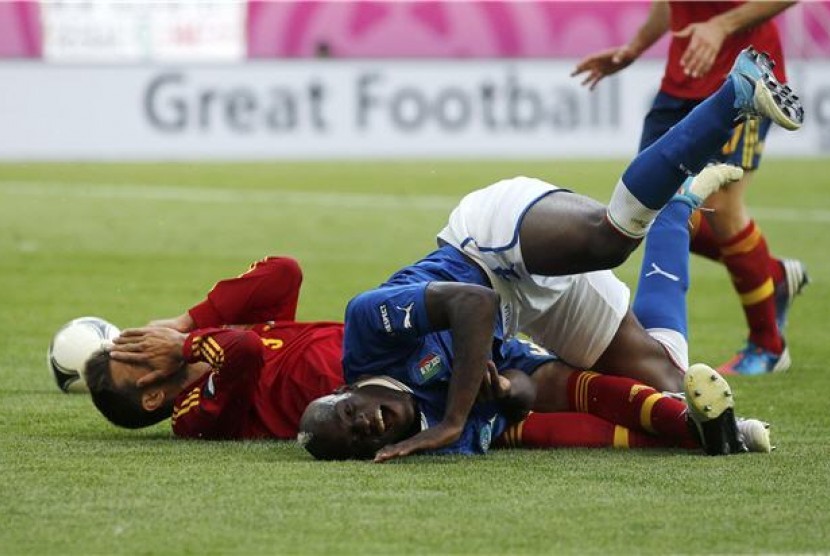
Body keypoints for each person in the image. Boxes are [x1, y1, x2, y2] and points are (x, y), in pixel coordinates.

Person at [298, 47, 801, 462]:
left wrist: (454, 420)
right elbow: (526, 391)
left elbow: (473, 303)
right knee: (668, 375)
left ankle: (735, 92)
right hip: (528, 311)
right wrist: (503, 392)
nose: (366, 425)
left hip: (486, 247)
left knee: (611, 240)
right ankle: (677, 208)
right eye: (361, 440)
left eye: (349, 416)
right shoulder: (422, 435)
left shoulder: (366, 335)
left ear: (346, 392)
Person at [571, 1, 808, 375]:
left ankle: (768, 346)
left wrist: (721, 24)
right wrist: (634, 48)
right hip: (681, 80)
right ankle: (770, 276)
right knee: (649, 208)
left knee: (722, 208)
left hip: (744, 79)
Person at [84, 256, 345, 439]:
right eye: (134, 357)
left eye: (136, 342)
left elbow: (284, 272)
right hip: (365, 382)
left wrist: (186, 321)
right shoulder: (191, 418)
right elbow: (244, 348)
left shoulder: (215, 338)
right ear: (152, 398)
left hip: (363, 336)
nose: (146, 345)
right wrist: (183, 344)